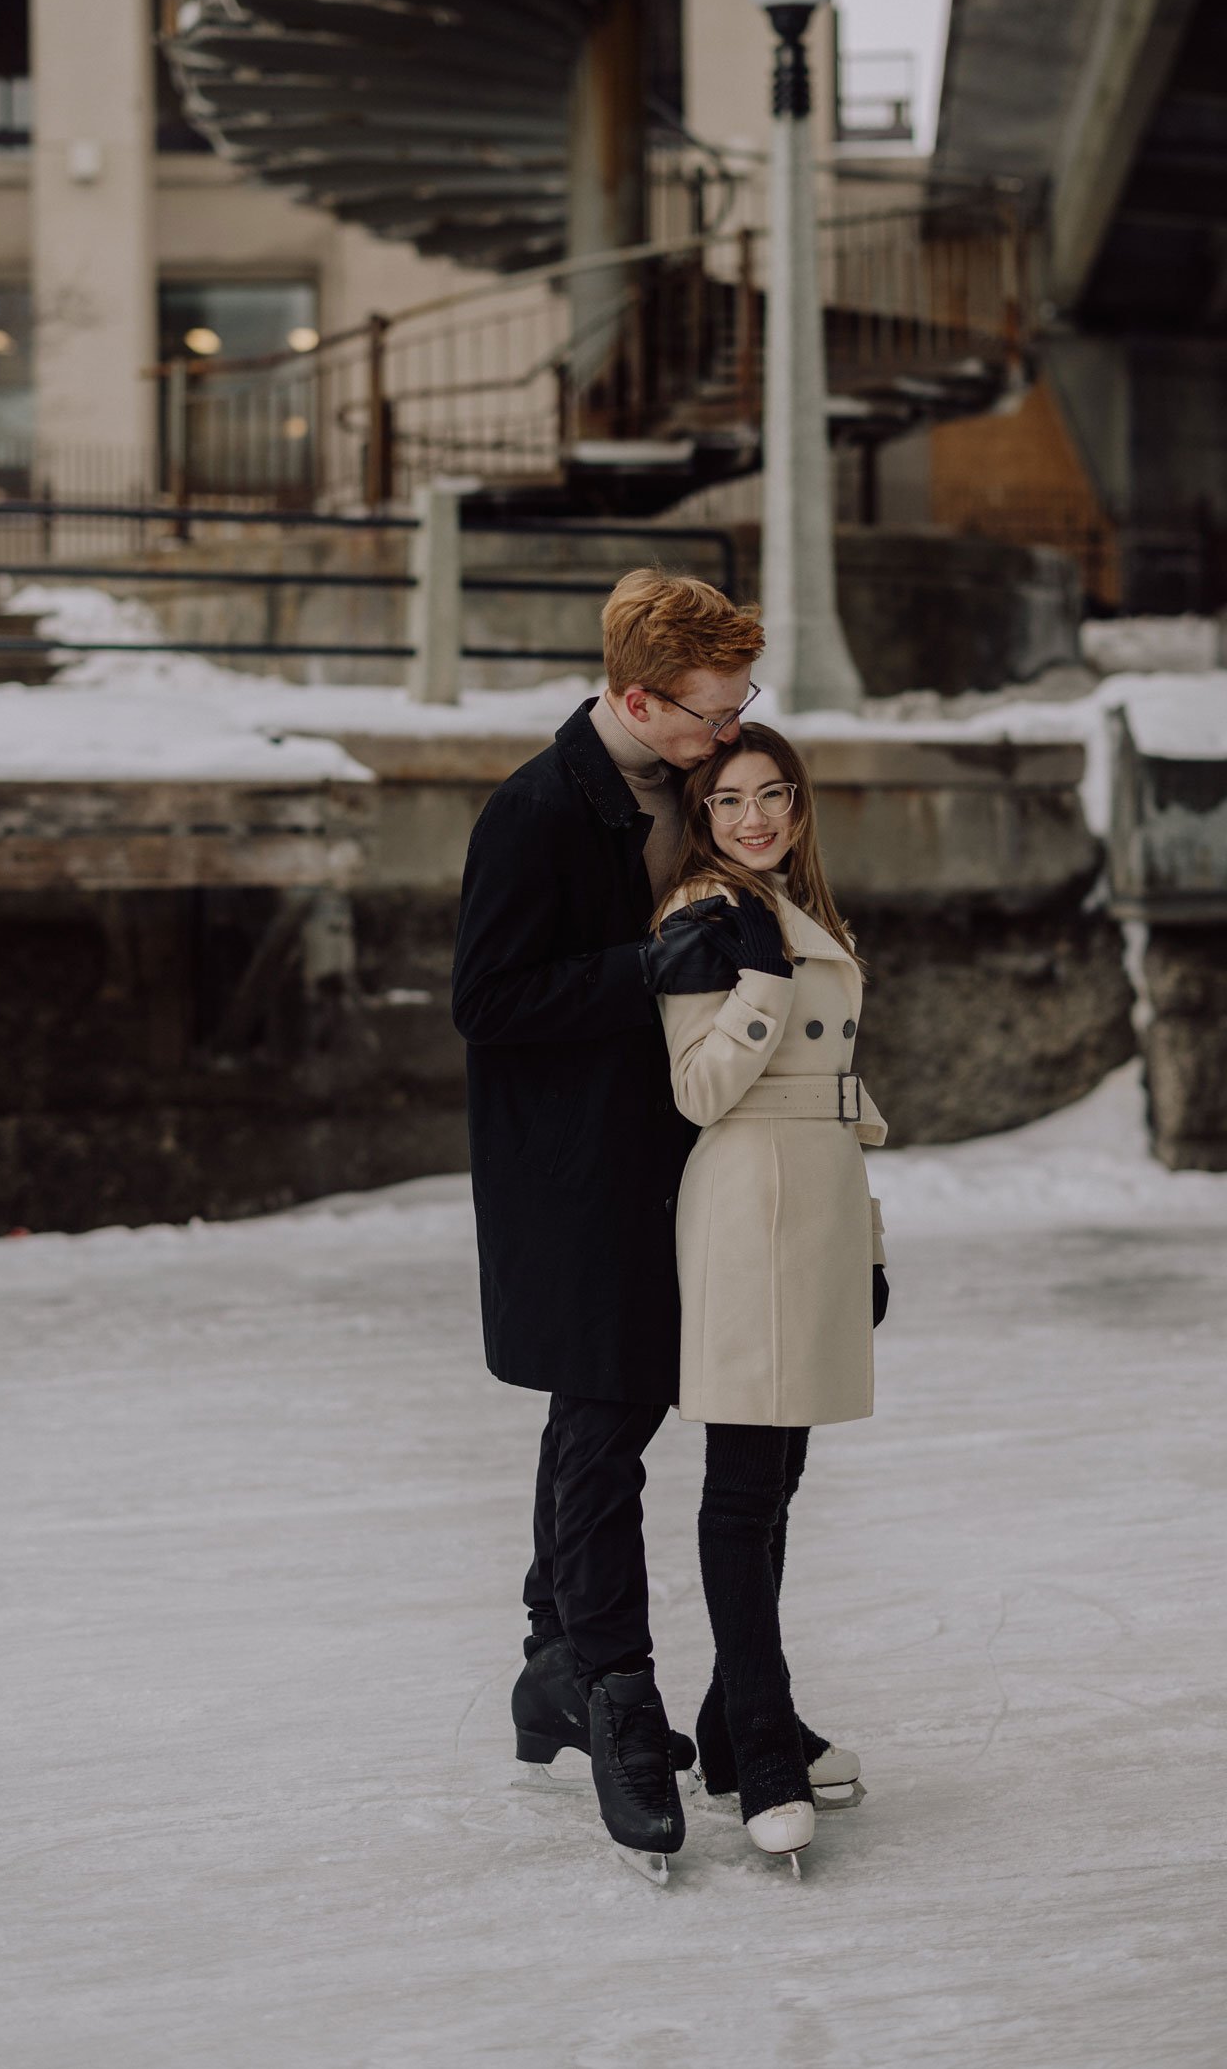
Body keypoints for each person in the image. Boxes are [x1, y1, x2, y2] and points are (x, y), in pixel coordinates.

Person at [450, 567, 775, 1874]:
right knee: (601, 1412)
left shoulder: (688, 785)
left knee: (612, 1404)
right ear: (636, 698)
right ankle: (610, 1691)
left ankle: (554, 1656)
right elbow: (487, 999)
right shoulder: (533, 811)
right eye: (708, 709)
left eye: (740, 700)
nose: (729, 727)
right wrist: (646, 971)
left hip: (672, 1152)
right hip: (572, 1169)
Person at [652, 721, 889, 1871]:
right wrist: (755, 978)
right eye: (730, 800)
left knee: (780, 1480)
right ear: (700, 817)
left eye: (773, 795)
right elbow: (698, 1091)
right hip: (750, 1203)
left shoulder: (800, 908)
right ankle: (761, 1739)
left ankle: (733, 1726)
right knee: (743, 1490)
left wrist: (874, 1241)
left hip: (823, 1201)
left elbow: (842, 1089)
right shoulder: (708, 921)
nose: (755, 818)